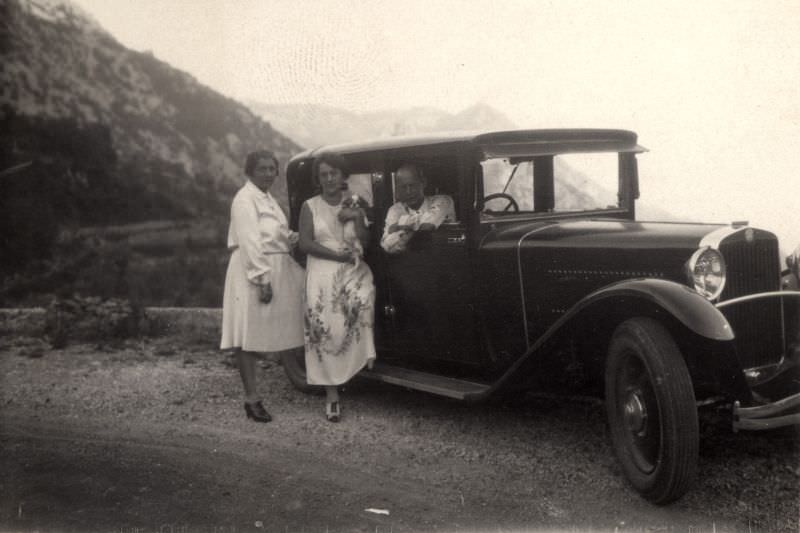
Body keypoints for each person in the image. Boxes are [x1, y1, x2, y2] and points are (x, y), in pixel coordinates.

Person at [220, 150, 305, 423]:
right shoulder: (244, 199)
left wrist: (292, 237)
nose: (268, 173)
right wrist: (262, 279)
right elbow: (250, 241)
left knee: (274, 326)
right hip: (253, 269)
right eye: (262, 169)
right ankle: (251, 398)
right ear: (250, 171)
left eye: (272, 169)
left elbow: (275, 233)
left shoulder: (268, 199)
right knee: (248, 333)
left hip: (276, 264)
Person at [298, 152, 376, 422]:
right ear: (318, 179)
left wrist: (356, 216)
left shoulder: (353, 201)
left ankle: (356, 366)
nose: (330, 178)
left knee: (362, 301)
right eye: (323, 175)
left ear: (343, 175)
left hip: (351, 269)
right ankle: (332, 394)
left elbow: (365, 240)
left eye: (334, 173)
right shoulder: (310, 206)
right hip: (321, 270)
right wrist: (336, 257)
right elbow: (305, 244)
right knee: (326, 328)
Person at [380, 163, 456, 253]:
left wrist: (398, 227)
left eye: (412, 185)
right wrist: (412, 229)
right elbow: (386, 245)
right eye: (403, 187)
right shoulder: (395, 210)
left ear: (423, 183)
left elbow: (427, 227)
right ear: (397, 189)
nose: (408, 192)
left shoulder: (443, 201)